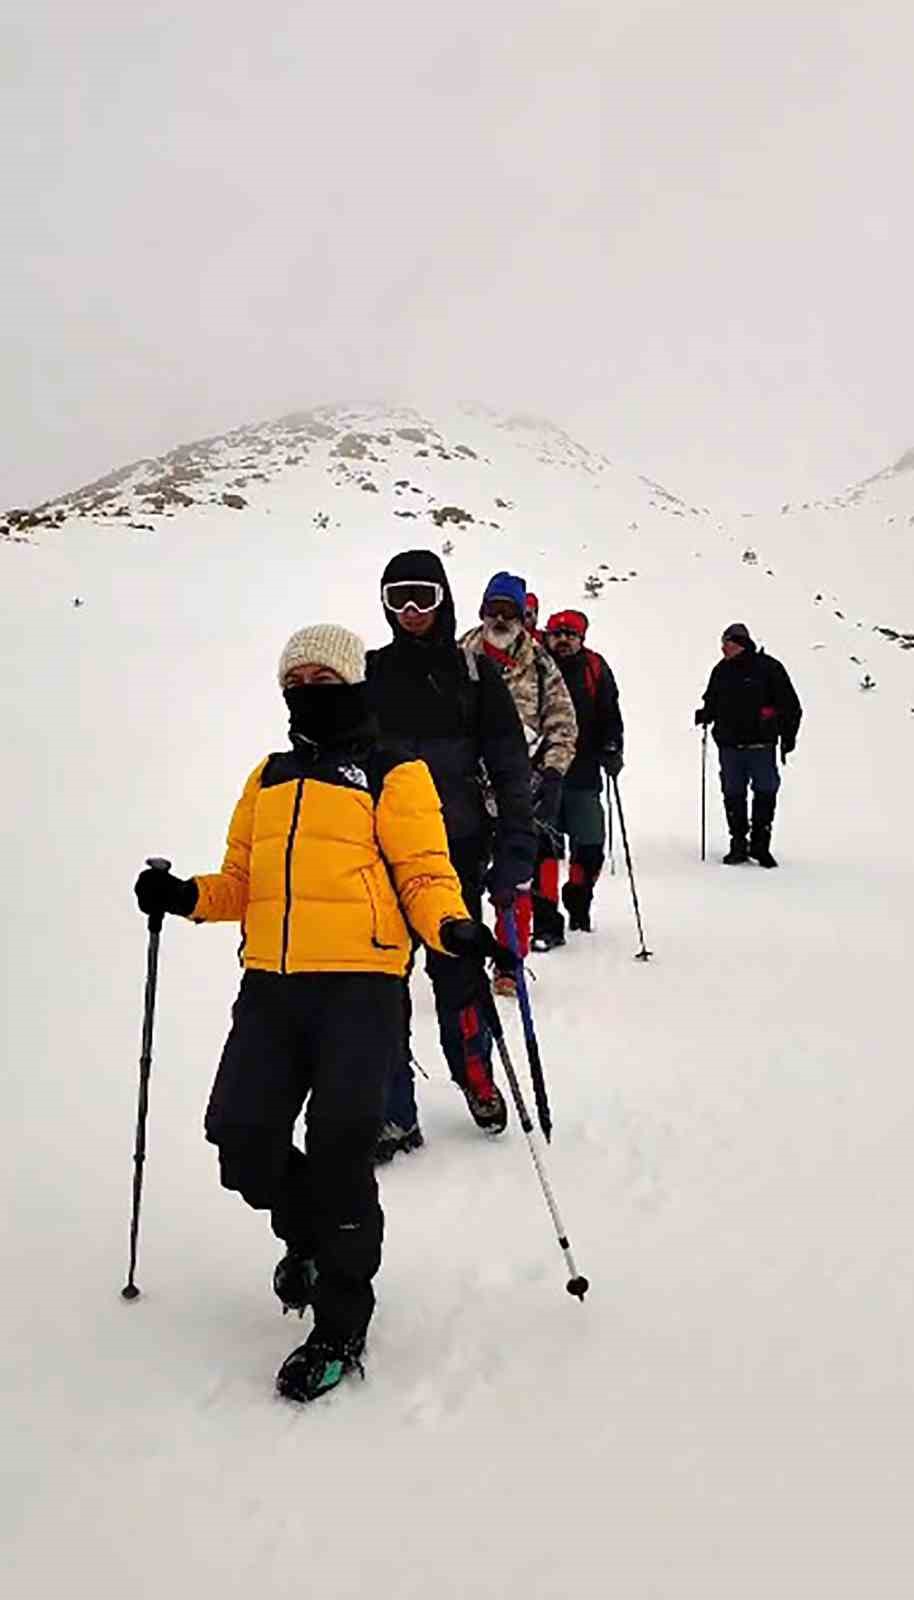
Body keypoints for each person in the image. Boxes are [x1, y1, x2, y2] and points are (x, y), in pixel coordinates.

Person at [134, 623, 515, 1404]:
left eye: (322, 673)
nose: (308, 686)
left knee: (341, 1154)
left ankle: (342, 1319)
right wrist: (185, 898)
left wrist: (451, 926)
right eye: (295, 676)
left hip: (360, 986)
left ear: (351, 681)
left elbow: (422, 873)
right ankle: (308, 1239)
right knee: (240, 1139)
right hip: (271, 986)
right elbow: (241, 881)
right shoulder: (267, 777)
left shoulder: (392, 772)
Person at [365, 552, 536, 1158]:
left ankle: (476, 1076)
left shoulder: (472, 675)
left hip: (456, 851)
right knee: (382, 982)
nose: (411, 612)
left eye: (424, 597)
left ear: (444, 600)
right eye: (398, 598)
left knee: (457, 972)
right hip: (379, 855)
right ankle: (391, 1111)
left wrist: (518, 850)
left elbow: (512, 768)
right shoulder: (370, 674)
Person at [460, 572, 578, 980]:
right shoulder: (460, 653)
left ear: (522, 615)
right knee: (463, 878)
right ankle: (464, 957)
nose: (499, 617)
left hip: (519, 789)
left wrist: (553, 774)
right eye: (493, 608)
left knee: (514, 881)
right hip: (464, 788)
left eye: (508, 610)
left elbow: (563, 724)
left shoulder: (542, 664)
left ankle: (510, 961)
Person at [541, 608, 624, 935]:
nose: (562, 641)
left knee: (589, 846)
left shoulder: (595, 668)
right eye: (557, 634)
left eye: (569, 635)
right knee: (542, 849)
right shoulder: (535, 666)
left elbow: (610, 712)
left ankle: (579, 901)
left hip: (584, 772)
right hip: (542, 774)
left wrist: (613, 747)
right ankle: (546, 920)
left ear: (581, 639)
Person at [695, 622, 803, 867]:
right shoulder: (721, 671)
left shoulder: (769, 668)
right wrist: (705, 714)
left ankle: (760, 845)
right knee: (733, 793)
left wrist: (787, 737)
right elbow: (712, 700)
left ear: (739, 643)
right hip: (730, 746)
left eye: (726, 643)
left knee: (764, 792)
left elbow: (790, 705)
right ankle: (739, 845)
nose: (723, 648)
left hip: (761, 746)